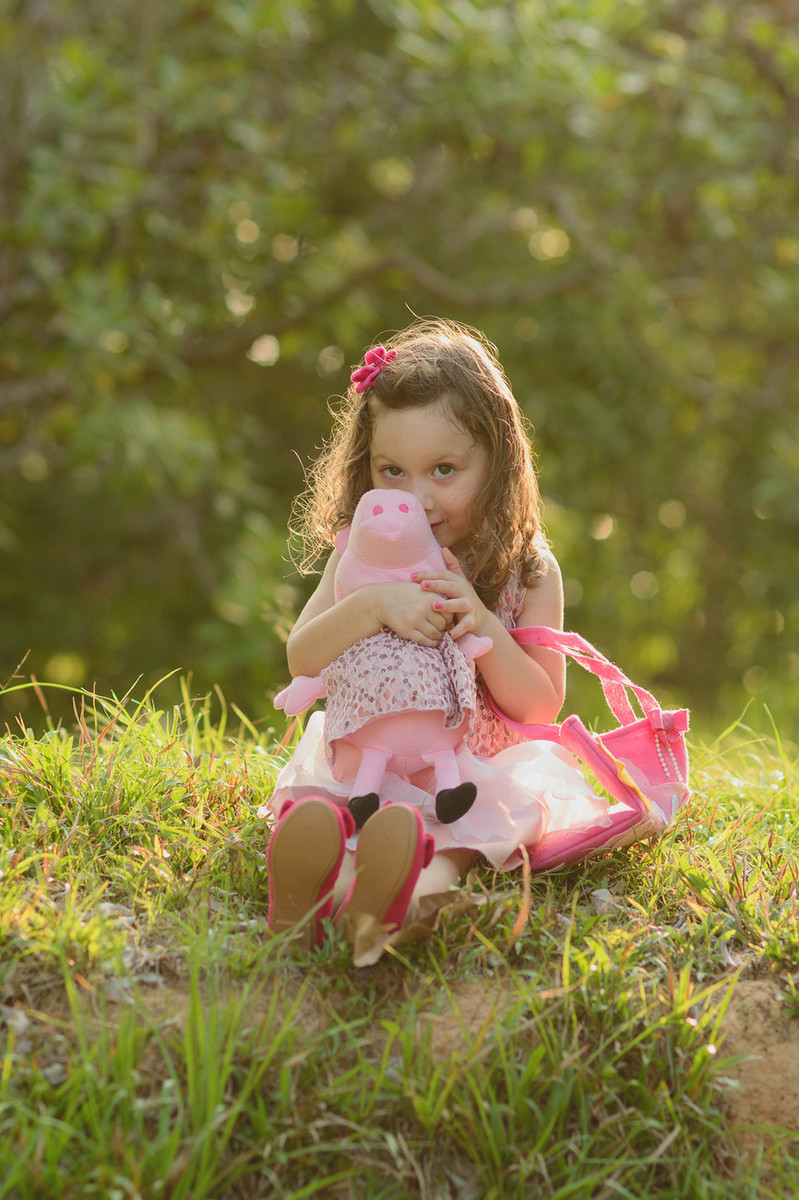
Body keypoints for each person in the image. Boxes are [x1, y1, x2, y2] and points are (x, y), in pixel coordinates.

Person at [266, 318, 607, 964]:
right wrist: (370, 606)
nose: (414, 498)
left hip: (466, 774)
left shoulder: (526, 569)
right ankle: (314, 894)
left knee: (453, 837)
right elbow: (301, 653)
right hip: (369, 762)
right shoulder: (358, 552)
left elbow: (540, 705)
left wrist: (480, 619)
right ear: (365, 466)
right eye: (391, 471)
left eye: (443, 470)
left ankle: (400, 899)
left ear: (498, 463)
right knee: (346, 818)